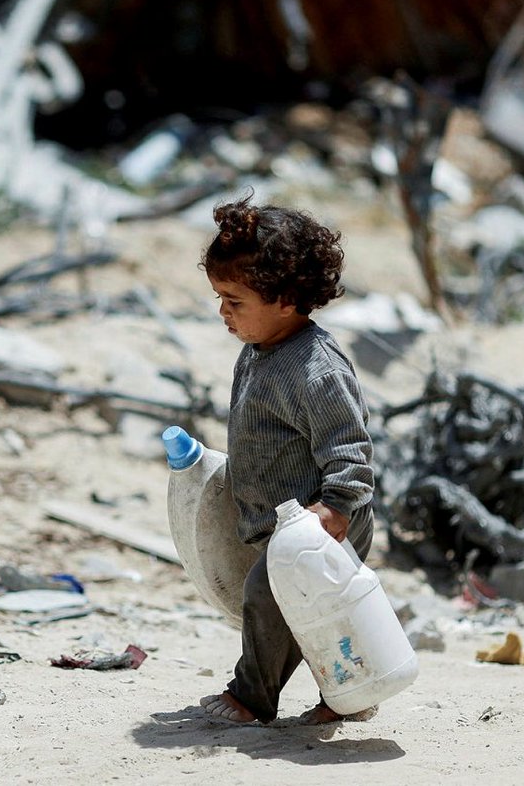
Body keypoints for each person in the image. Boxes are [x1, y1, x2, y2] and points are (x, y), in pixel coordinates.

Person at [197, 192, 376, 726]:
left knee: (274, 604)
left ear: (285, 298)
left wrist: (336, 507)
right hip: (281, 526)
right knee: (314, 617)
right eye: (219, 298)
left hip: (325, 522)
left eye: (234, 300)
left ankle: (251, 698)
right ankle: (350, 692)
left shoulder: (315, 368)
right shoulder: (258, 351)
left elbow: (349, 444)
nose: (223, 312)